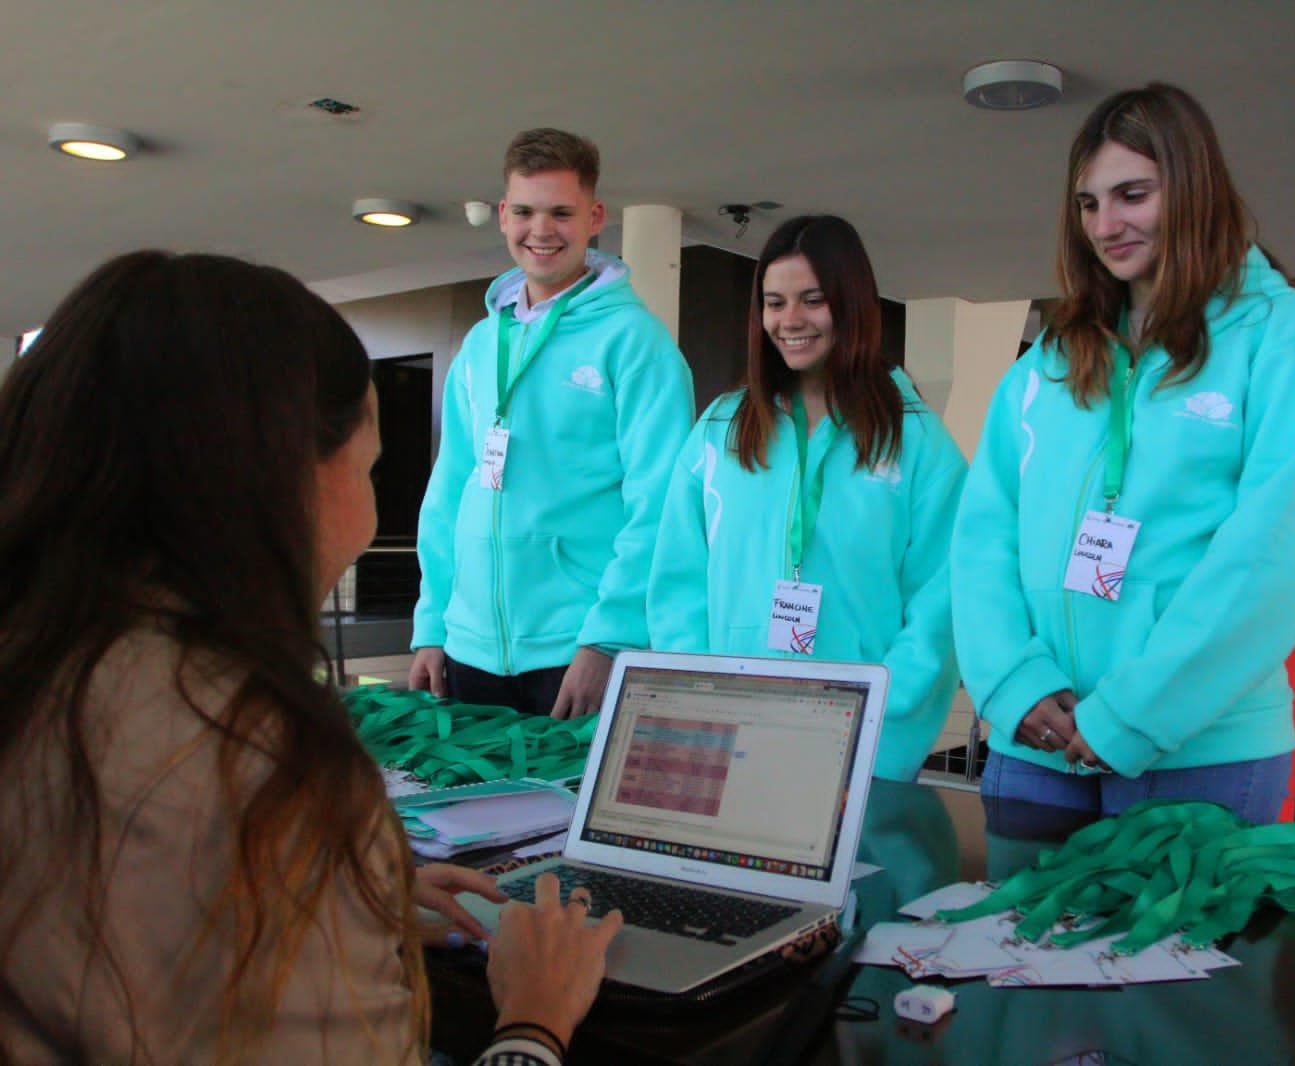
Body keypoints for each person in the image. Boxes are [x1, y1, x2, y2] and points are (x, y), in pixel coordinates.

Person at [0, 251, 620, 1065]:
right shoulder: (264, 771)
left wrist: (345, 901)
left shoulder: (44, 666)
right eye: (368, 469)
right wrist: (536, 1017)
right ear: (282, 477)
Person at [951, 83, 1295, 840]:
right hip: (1037, 737)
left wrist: (1135, 713)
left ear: (1191, 189)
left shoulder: (1279, 335)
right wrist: (1009, 682)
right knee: (1006, 955)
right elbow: (981, 535)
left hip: (1201, 747)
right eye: (1087, 204)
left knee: (1158, 962)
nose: (1105, 225)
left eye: (1131, 195)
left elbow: (1270, 552)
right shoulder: (1049, 359)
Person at [648, 215, 967, 781]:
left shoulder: (916, 439)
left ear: (852, 304)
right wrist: (699, 701)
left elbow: (941, 599)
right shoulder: (721, 428)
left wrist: (880, 712)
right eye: (774, 302)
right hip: (733, 735)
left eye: (812, 300)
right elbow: (679, 580)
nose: (789, 321)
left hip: (862, 743)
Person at [409, 128, 693, 718]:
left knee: (571, 813)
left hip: (576, 652)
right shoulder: (482, 345)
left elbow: (659, 502)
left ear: (594, 218)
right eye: (526, 212)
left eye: (561, 212)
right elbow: (450, 489)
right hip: (466, 652)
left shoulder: (634, 342)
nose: (542, 231)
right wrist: (431, 623)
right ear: (503, 216)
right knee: (477, 812)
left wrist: (609, 637)